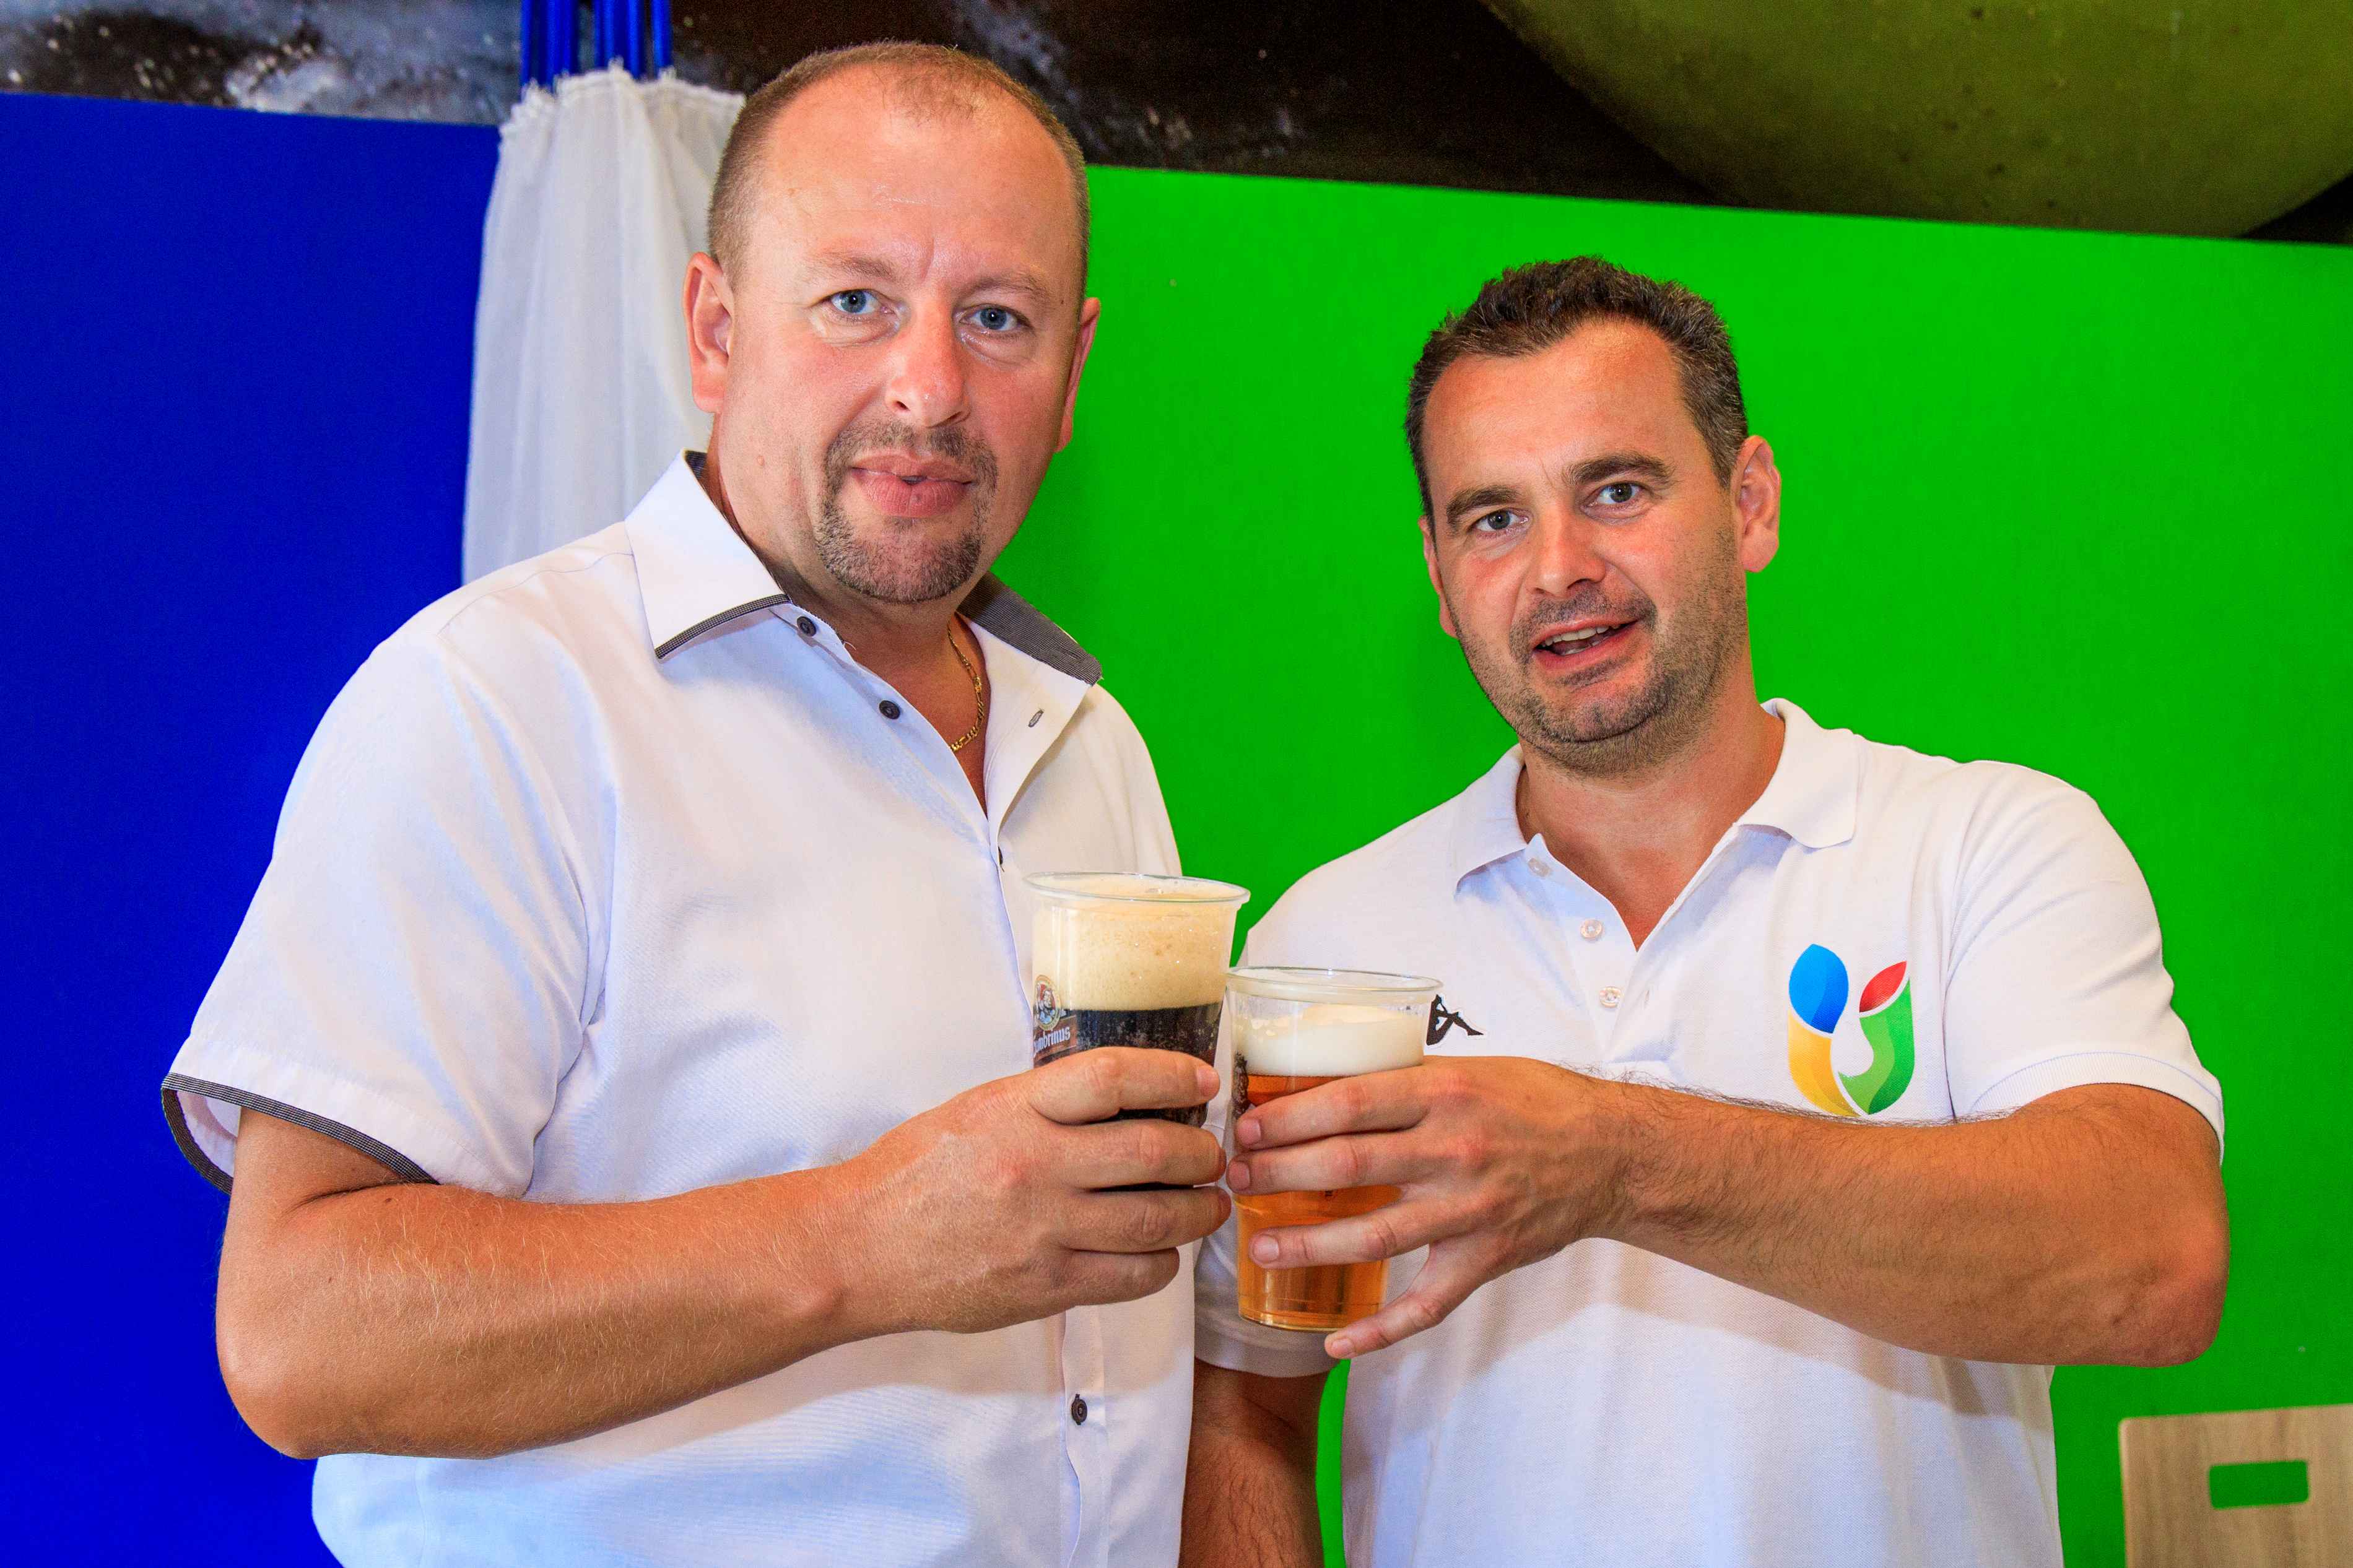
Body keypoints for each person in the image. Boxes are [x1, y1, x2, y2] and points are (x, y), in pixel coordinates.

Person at [160, 43, 1229, 1567]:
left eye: (998, 318)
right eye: (854, 300)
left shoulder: (1091, 742)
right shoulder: (500, 700)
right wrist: (861, 1238)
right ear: (715, 331)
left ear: (1074, 367)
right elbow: (299, 1334)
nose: (928, 386)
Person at [1182, 257, 2228, 1568]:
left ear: (1749, 503)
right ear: (1439, 580)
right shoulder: (1328, 942)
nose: (1558, 568)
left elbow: (2155, 1260)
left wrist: (1614, 1159)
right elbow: (1246, 1402)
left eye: (1616, 491)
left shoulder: (1984, 847)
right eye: (1493, 518)